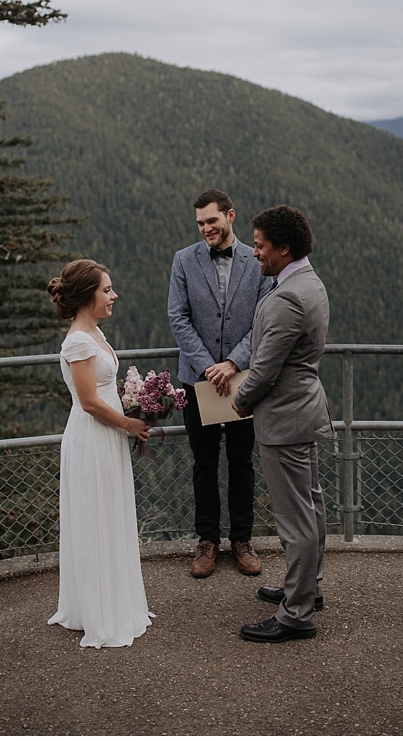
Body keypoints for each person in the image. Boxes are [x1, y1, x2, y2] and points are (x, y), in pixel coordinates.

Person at [232, 204, 332, 643]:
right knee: (310, 507)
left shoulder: (290, 295)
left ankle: (297, 614)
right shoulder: (309, 282)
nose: (255, 253)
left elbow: (265, 366)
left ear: (284, 247)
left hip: (284, 419)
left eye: (259, 245)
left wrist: (240, 398)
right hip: (303, 411)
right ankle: (305, 590)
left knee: (295, 518)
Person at [165, 189, 274, 578]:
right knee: (204, 464)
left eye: (212, 220)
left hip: (244, 379)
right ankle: (207, 541)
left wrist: (232, 363)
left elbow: (264, 318)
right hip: (198, 380)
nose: (206, 228)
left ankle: (242, 540)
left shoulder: (256, 258)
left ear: (230, 215)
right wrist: (210, 367)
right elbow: (178, 318)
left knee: (242, 462)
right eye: (200, 223)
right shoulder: (183, 259)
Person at [46, 259, 154, 648]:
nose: (114, 295)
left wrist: (136, 405)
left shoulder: (93, 333)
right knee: (95, 517)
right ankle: (99, 611)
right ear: (87, 295)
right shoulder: (78, 340)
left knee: (110, 513)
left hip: (106, 437)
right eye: (107, 290)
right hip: (93, 437)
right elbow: (89, 401)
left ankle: (113, 601)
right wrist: (130, 424)